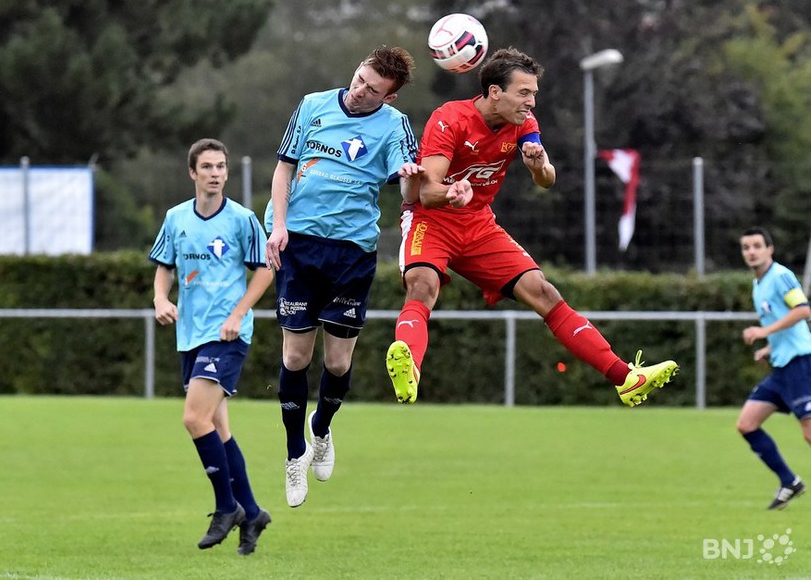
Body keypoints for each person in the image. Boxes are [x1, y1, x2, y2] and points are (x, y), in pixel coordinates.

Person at [385, 47, 678, 406]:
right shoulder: (449, 119)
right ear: (496, 92)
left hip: (478, 224)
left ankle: (625, 378)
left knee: (544, 292)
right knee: (422, 284)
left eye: (534, 94)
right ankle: (409, 366)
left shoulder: (523, 124)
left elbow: (547, 179)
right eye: (524, 93)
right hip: (433, 220)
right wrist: (452, 193)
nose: (531, 102)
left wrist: (538, 165)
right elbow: (427, 193)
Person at [265, 46, 421, 508]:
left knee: (336, 364)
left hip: (353, 250)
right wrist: (277, 225)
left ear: (388, 98)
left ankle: (322, 428)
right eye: (359, 78)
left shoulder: (394, 126)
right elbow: (283, 167)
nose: (359, 91)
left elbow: (408, 187)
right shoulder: (313, 105)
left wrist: (412, 176)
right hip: (299, 244)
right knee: (296, 357)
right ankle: (295, 455)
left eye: (372, 89)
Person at [150, 138, 274, 554]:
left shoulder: (242, 219)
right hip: (190, 334)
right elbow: (164, 267)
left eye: (221, 166)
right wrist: (160, 299)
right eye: (207, 166)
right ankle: (253, 512)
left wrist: (238, 314)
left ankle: (228, 508)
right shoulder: (175, 218)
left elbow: (263, 272)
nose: (216, 173)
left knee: (193, 418)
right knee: (218, 428)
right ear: (193, 173)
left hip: (226, 336)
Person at [735, 226, 811, 509]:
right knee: (747, 424)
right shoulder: (758, 283)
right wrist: (770, 347)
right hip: (781, 367)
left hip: (800, 363)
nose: (751, 252)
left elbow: (803, 310)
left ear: (770, 249)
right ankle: (790, 482)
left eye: (757, 246)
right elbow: (785, 323)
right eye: (746, 247)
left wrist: (763, 333)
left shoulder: (780, 276)